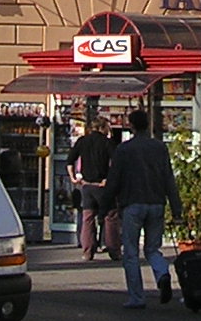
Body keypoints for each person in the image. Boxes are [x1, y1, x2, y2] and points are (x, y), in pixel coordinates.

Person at [107, 108, 182, 308]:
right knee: (152, 248)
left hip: (132, 203)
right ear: (147, 125)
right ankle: (162, 273)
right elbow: (169, 178)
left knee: (131, 252)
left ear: (131, 126)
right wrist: (176, 209)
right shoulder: (159, 148)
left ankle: (137, 297)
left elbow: (114, 180)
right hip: (156, 203)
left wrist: (105, 207)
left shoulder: (124, 150)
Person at [66, 118, 114, 262]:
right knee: (110, 216)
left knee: (88, 218)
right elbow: (116, 162)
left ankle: (87, 251)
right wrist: (109, 179)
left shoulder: (82, 141)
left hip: (86, 185)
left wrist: (73, 178)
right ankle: (114, 250)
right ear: (102, 128)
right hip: (102, 185)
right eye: (107, 127)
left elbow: (70, 160)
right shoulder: (107, 142)